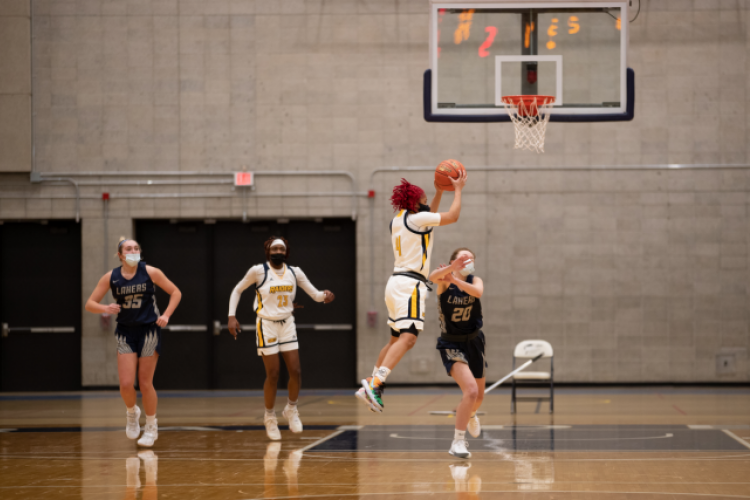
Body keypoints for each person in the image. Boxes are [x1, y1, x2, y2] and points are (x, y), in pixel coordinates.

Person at [356, 172, 469, 413]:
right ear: (416, 203)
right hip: (410, 286)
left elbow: (429, 216)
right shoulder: (417, 220)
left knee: (396, 339)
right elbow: (453, 216)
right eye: (426, 199)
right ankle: (375, 383)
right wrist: (457, 189)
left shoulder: (399, 218)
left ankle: (372, 381)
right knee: (409, 338)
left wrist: (439, 192)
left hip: (396, 283)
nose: (428, 203)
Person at [227, 236, 335, 441]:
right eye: (274, 248)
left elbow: (314, 294)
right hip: (266, 325)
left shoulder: (295, 272)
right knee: (274, 373)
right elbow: (238, 289)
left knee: (295, 370)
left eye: (281, 249)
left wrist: (325, 296)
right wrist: (231, 316)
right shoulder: (258, 271)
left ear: (286, 252)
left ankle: (291, 409)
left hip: (287, 324)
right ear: (268, 251)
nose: (278, 251)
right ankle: (269, 417)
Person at [85, 238, 182, 447]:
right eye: (128, 249)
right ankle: (132, 412)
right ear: (120, 255)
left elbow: (176, 292)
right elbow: (90, 304)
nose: (133, 251)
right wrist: (105, 308)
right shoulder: (111, 277)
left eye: (136, 248)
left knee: (145, 383)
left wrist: (166, 315)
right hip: (125, 332)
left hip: (148, 331)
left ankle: (151, 426)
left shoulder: (150, 272)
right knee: (126, 384)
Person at [429, 248, 485, 459]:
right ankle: (458, 442)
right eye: (463, 257)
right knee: (470, 391)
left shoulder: (474, 280)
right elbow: (431, 277)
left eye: (471, 258)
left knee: (477, 397)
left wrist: (456, 279)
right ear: (453, 261)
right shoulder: (443, 280)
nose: (468, 260)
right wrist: (451, 272)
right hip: (451, 343)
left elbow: (477, 292)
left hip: (475, 342)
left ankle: (470, 413)